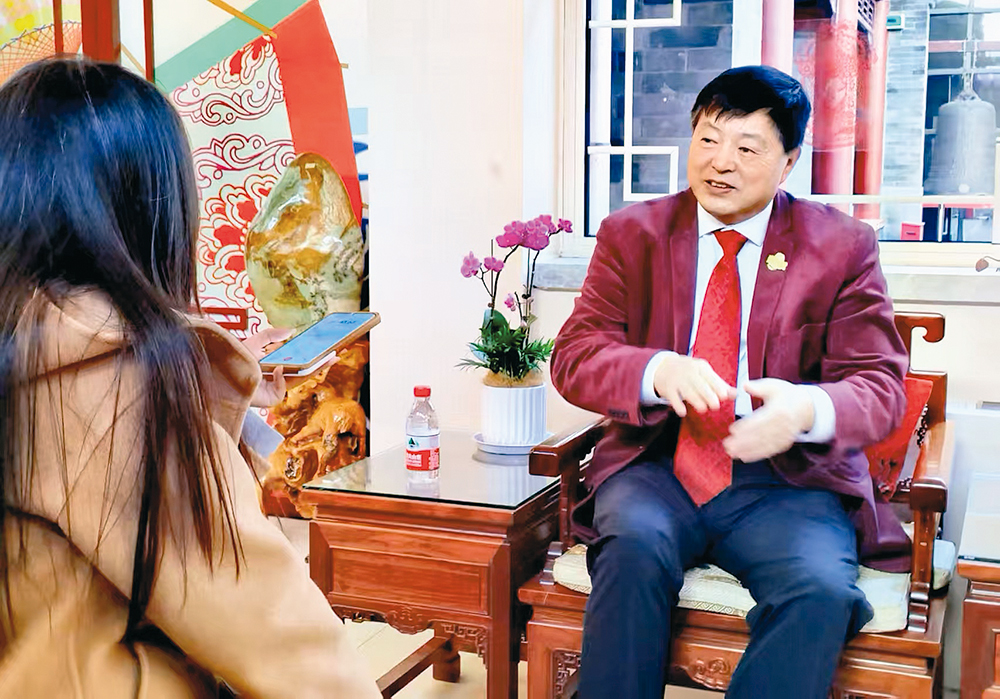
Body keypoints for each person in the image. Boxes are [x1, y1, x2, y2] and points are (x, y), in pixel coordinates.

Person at [0, 57, 381, 698]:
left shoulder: (30, 342)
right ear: (149, 211)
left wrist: (209, 380)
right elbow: (276, 632)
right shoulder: (117, 385)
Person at [551, 65, 911, 699]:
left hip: (787, 482)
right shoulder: (633, 233)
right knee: (631, 550)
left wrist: (805, 409)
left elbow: (879, 385)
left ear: (788, 162)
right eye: (708, 140)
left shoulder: (841, 246)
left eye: (747, 148)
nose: (720, 163)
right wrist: (657, 370)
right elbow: (576, 355)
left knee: (819, 590)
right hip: (657, 465)